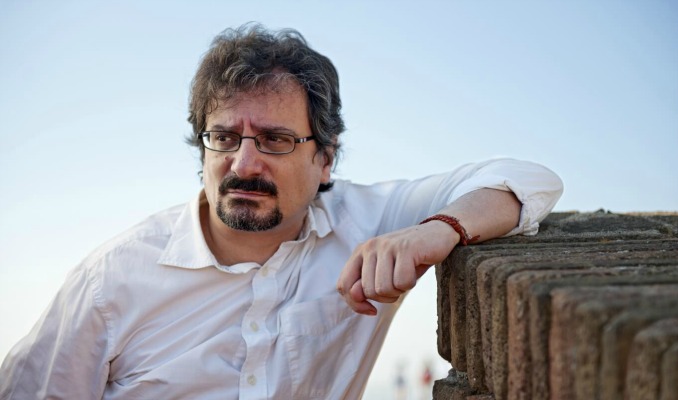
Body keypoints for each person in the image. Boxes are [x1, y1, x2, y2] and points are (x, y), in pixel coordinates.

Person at [0, 24, 563, 399]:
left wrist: (437, 231)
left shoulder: (369, 219)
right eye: (224, 138)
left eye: (275, 140)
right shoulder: (110, 282)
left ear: (325, 159)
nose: (244, 163)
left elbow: (529, 180)